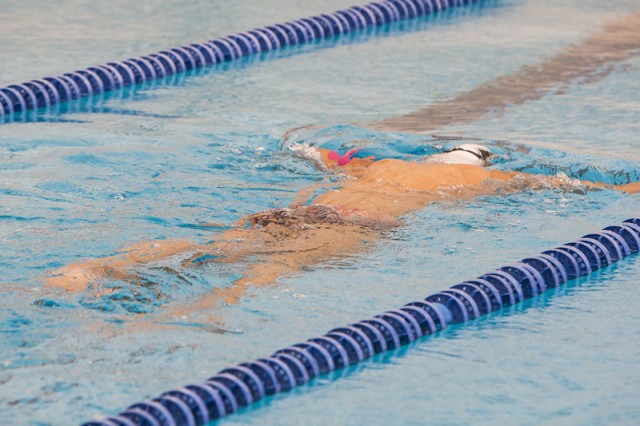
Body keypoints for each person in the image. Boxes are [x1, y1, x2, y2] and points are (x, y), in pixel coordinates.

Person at [45, 13, 640, 315]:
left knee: (212, 244)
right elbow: (566, 184)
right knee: (260, 278)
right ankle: (194, 314)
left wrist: (304, 145)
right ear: (478, 161)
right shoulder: (483, 180)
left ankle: (91, 267)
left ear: (439, 149)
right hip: (357, 226)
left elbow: (322, 152)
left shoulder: (378, 164)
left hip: (300, 209)